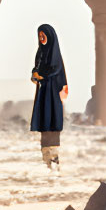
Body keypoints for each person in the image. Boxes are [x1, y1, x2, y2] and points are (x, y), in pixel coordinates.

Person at [29, 24, 69, 170]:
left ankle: (54, 156)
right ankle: (45, 155)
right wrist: (35, 74)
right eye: (39, 36)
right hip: (43, 90)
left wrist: (42, 75)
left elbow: (55, 68)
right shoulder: (41, 51)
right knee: (44, 120)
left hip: (52, 92)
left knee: (51, 118)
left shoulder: (54, 53)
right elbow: (37, 67)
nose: (41, 38)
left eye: (43, 35)